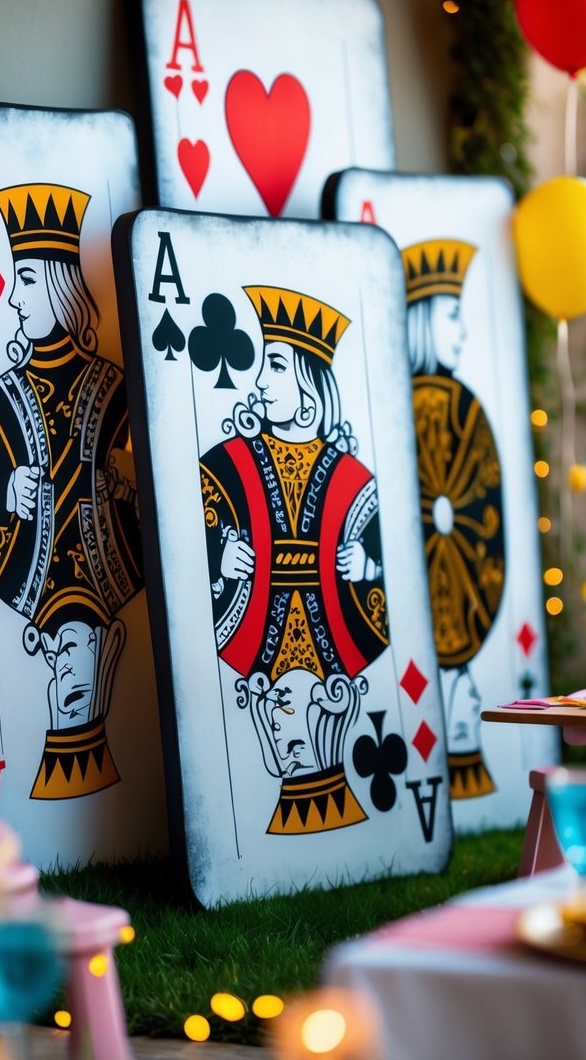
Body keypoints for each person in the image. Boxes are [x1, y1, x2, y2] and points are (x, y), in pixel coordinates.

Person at [0, 183, 143, 799]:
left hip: (102, 594)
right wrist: (4, 498)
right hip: (39, 593)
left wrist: (126, 485)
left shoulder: (121, 390)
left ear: (62, 286)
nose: (14, 299)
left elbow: (152, 511)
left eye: (26, 281)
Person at [200, 285, 388, 834]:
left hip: (332, 633)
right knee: (281, 706)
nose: (258, 381)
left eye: (275, 366)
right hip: (257, 634)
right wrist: (221, 559)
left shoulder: (352, 475)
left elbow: (385, 560)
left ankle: (324, 792)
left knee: (312, 710)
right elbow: (193, 539)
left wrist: (365, 566)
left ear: (309, 388)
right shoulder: (227, 462)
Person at [402, 239, 502, 799]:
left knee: (456, 677)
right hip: (431, 594)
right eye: (453, 316)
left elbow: (480, 511)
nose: (463, 331)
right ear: (422, 321)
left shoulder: (463, 408)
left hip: (456, 590)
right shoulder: (408, 410)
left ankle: (465, 758)